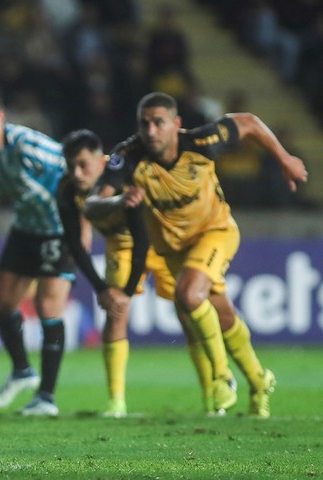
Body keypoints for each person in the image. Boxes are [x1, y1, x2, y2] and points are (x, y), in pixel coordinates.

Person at [86, 92, 308, 417]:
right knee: (223, 315)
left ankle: (222, 378)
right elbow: (93, 204)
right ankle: (260, 381)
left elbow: (248, 122)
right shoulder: (128, 156)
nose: (151, 131)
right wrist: (118, 201)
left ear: (176, 124)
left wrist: (284, 158)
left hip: (215, 232)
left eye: (158, 122)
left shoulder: (203, 142)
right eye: (144, 123)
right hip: (174, 250)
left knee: (189, 294)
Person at [58, 128, 262, 417]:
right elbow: (76, 244)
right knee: (115, 315)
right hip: (121, 247)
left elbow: (143, 240)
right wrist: (103, 289)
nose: (76, 173)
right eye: (71, 166)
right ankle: (116, 403)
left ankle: (211, 398)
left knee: (188, 313)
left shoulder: (125, 180)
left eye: (83, 165)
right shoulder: (67, 189)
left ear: (102, 162)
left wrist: (126, 292)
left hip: (160, 243)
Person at [0, 85, 75, 417]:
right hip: (26, 229)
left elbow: (76, 169)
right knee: (2, 303)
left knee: (47, 305)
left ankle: (47, 398)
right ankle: (23, 371)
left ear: (0, 117)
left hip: (58, 229)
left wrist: (80, 223)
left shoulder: (28, 145)